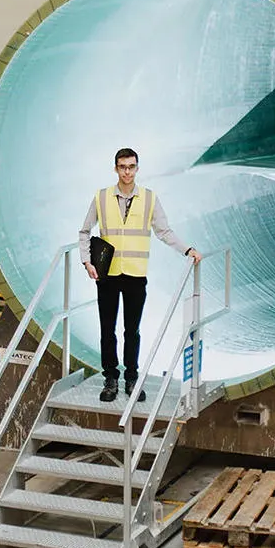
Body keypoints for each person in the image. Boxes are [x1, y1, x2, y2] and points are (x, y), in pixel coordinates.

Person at [79, 148, 202, 403]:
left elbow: (164, 232)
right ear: (115, 169)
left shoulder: (149, 198)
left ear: (137, 169)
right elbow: (84, 231)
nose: (127, 171)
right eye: (122, 167)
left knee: (132, 330)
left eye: (131, 167)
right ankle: (110, 379)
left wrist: (187, 249)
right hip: (108, 275)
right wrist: (86, 261)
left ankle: (132, 378)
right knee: (107, 330)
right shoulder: (101, 197)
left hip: (135, 275)